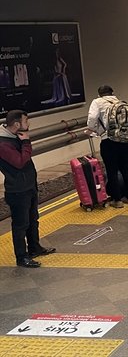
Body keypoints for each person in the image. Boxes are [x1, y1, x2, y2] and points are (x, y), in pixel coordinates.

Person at [0, 110, 56, 268]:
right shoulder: (3, 143)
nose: (29, 124)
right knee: (20, 224)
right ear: (17, 124)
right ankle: (21, 257)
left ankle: (34, 248)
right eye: (26, 121)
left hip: (29, 186)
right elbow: (19, 162)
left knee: (33, 220)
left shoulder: (15, 137)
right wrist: (26, 143)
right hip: (17, 190)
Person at [86, 85, 128, 207]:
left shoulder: (97, 102)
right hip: (124, 139)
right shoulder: (118, 102)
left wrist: (91, 129)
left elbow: (92, 117)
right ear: (112, 93)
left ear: (99, 94)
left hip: (108, 140)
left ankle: (117, 200)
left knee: (111, 170)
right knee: (125, 168)